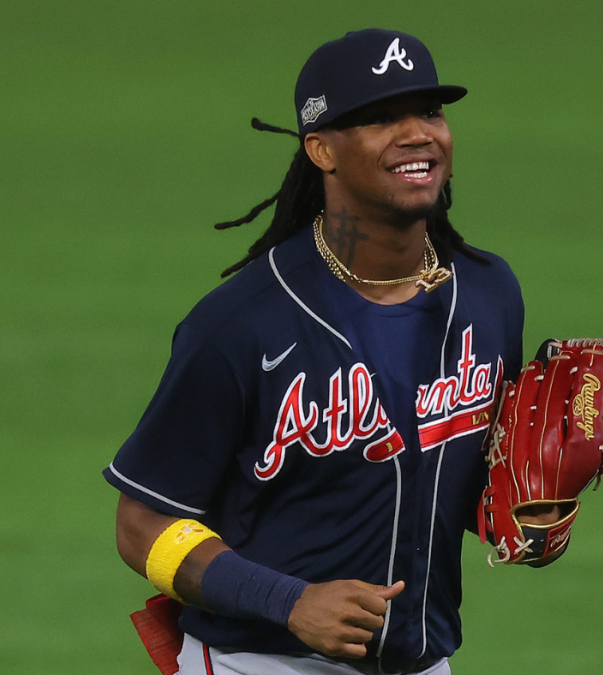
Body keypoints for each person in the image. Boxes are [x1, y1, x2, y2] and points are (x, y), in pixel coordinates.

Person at [105, 28, 561, 675]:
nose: (417, 133)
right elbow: (141, 522)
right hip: (259, 661)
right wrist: (288, 600)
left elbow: (453, 486)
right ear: (321, 148)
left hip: (421, 661)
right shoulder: (240, 324)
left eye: (429, 112)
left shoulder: (489, 295)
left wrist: (531, 515)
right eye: (381, 118)